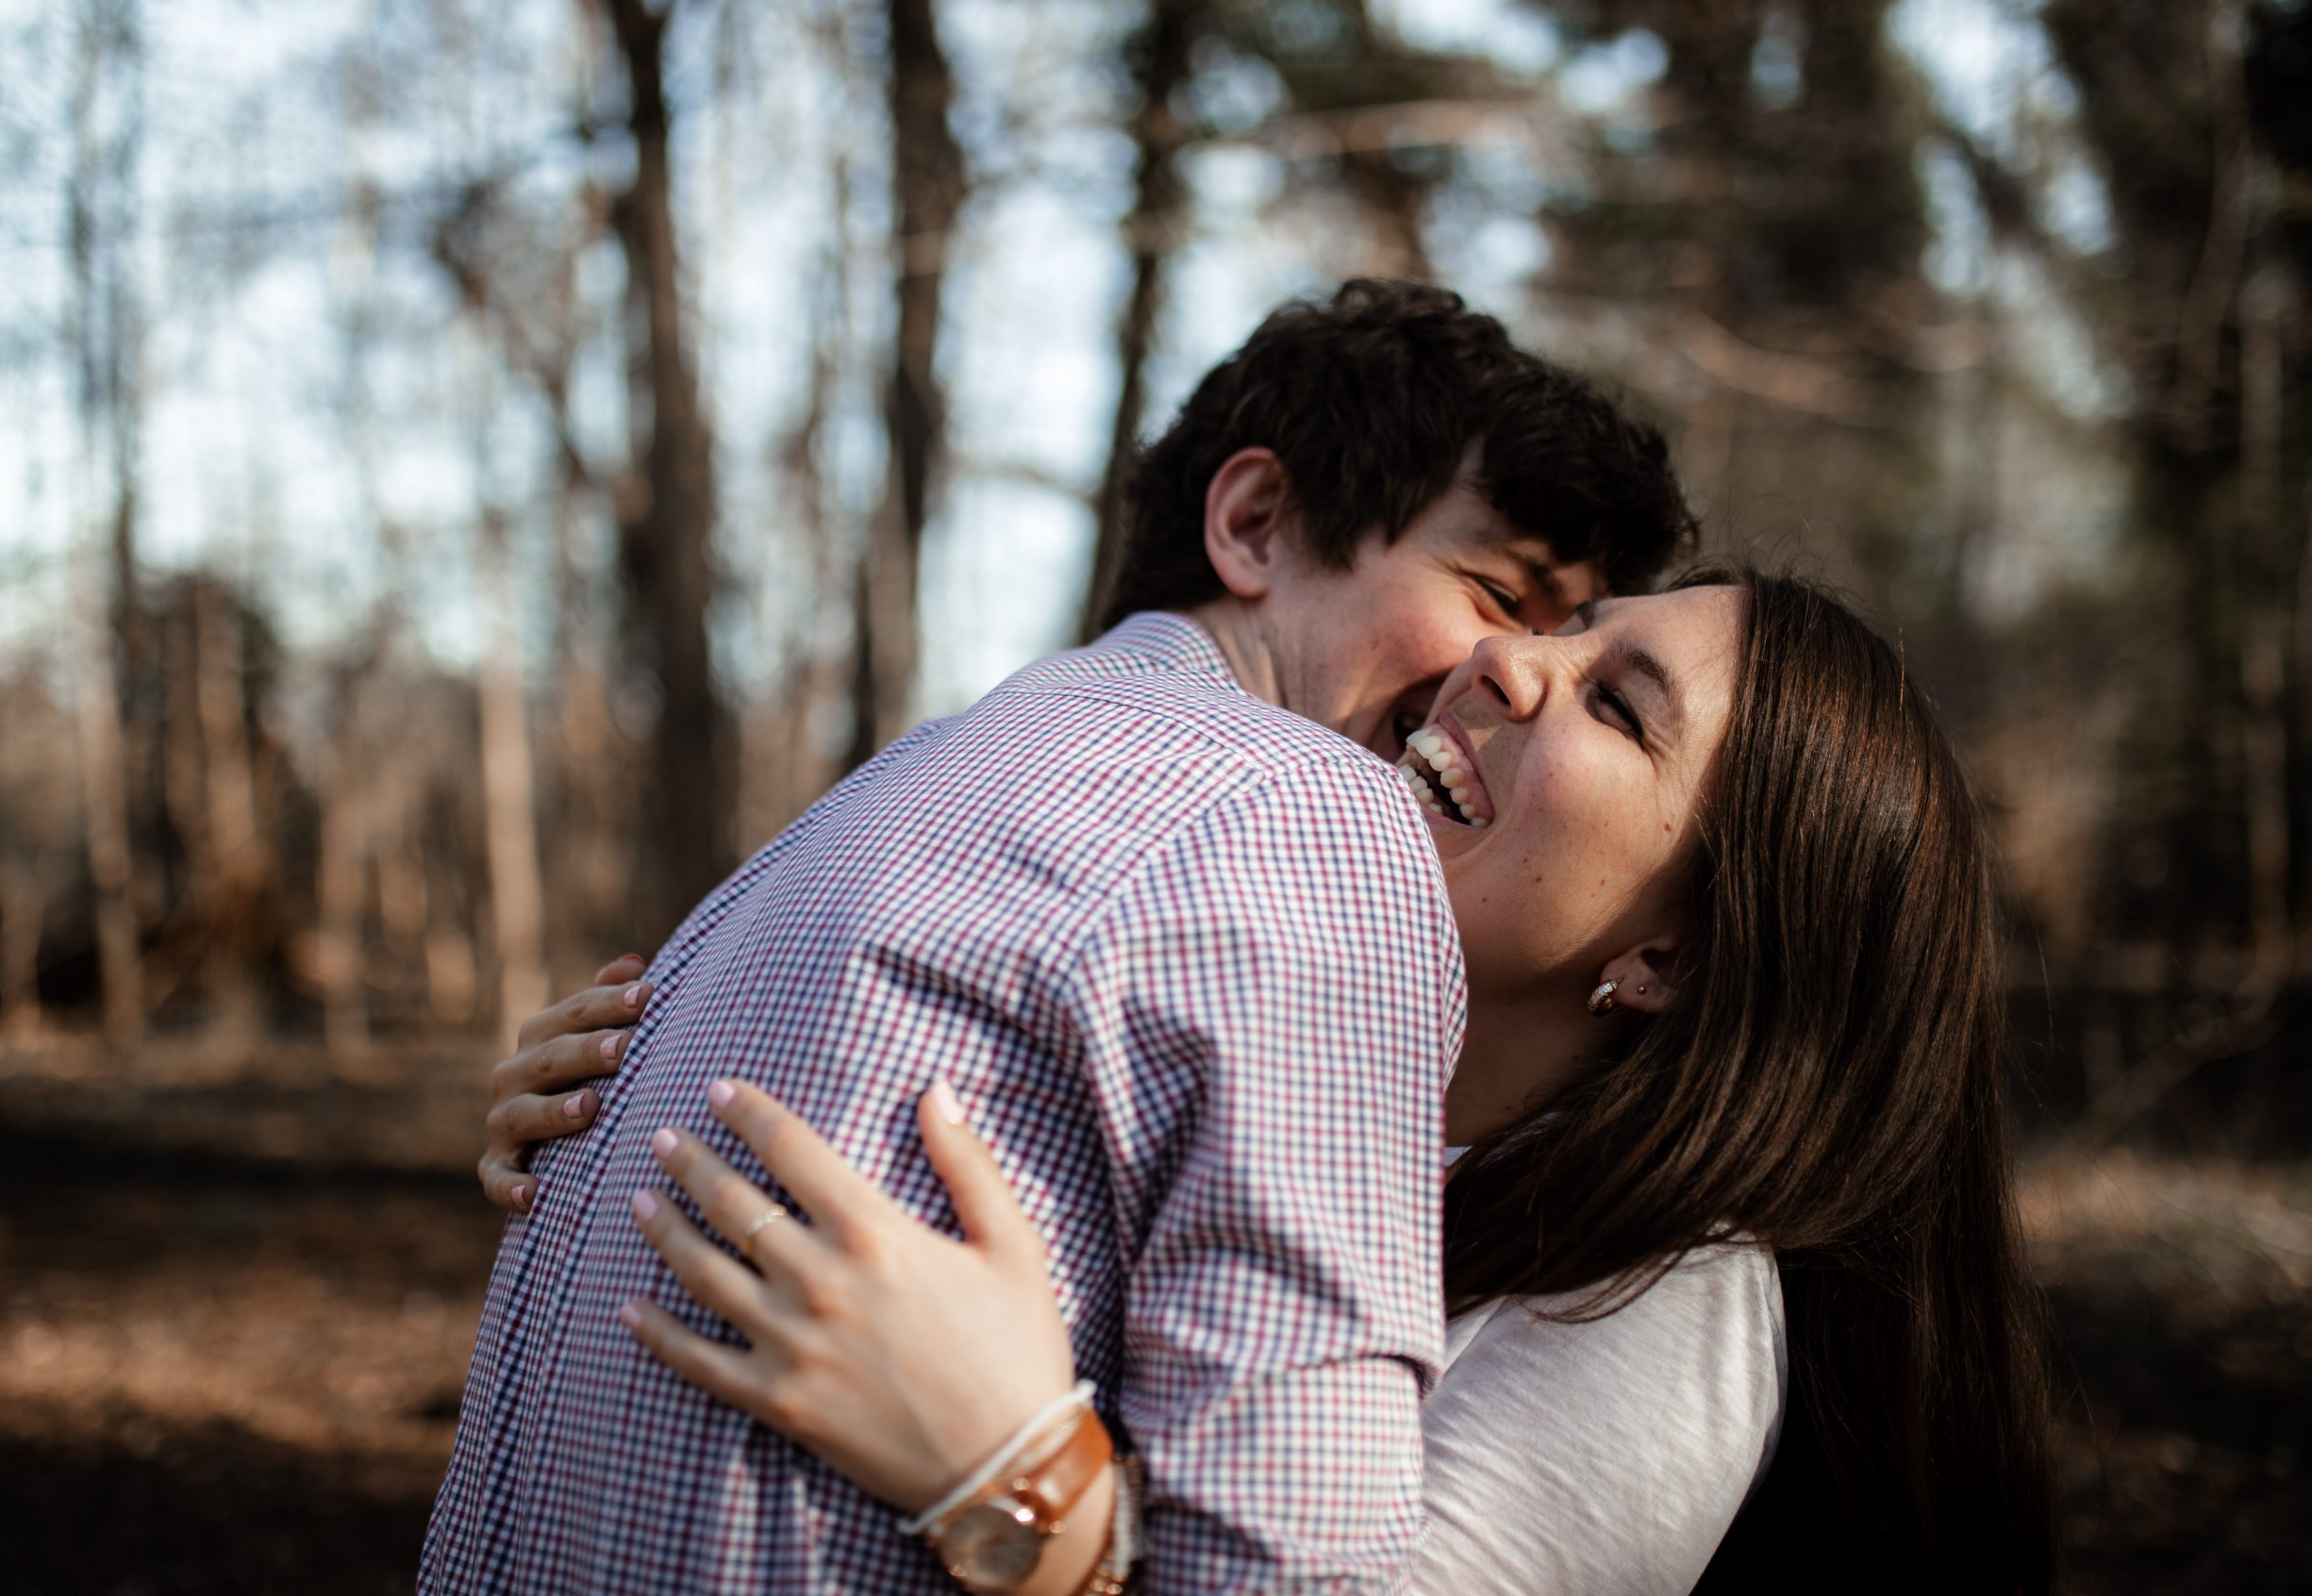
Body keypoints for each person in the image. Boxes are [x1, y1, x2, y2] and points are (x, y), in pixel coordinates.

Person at [421, 279, 1696, 1594]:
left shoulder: (860, 811)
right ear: (1255, 522)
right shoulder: (1308, 813)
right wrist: (1034, 1506)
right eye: (1498, 595)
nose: (1505, 679)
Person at [498, 569, 2057, 1593]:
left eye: (1617, 704)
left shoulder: (1671, 1308)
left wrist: (1021, 1494)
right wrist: (608, 1103)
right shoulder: (1285, 1065)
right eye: (1565, 628)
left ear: (1679, 960)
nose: (1508, 661)